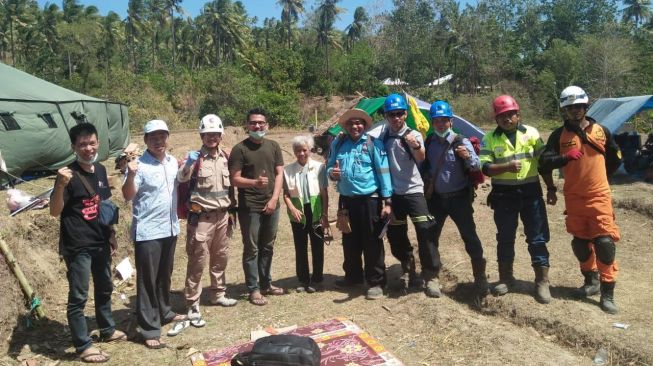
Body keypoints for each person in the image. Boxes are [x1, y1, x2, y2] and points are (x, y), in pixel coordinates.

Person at [539, 86, 622, 314]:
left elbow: (615, 158)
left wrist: (602, 178)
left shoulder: (602, 130)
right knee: (580, 243)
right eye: (569, 108)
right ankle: (591, 281)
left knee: (604, 243)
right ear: (564, 110)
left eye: (578, 106)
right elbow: (544, 163)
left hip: (599, 196)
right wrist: (563, 160)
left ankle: (607, 293)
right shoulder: (558, 135)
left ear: (586, 106)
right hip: (574, 198)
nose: (575, 111)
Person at [50, 123, 126, 363]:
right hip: (78, 245)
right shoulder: (67, 175)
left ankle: (107, 329)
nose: (87, 148)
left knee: (105, 288)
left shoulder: (102, 170)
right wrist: (60, 185)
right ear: (74, 147)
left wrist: (111, 235)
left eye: (91, 143)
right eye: (82, 144)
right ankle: (83, 345)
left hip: (100, 241)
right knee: (79, 296)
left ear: (98, 143)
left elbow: (104, 206)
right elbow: (55, 211)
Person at [168, 114, 238, 336]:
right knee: (197, 261)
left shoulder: (226, 157)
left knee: (220, 257)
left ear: (220, 135)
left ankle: (217, 293)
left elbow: (230, 188)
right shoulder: (195, 159)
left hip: (222, 216)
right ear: (201, 135)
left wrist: (231, 212)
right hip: (201, 219)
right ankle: (192, 303)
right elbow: (181, 178)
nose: (212, 138)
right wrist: (188, 163)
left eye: (215, 134)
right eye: (207, 134)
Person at [479, 95, 552, 304]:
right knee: (505, 237)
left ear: (518, 114)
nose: (506, 118)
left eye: (510, 114)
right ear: (496, 119)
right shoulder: (489, 138)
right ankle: (506, 278)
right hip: (504, 196)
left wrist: (552, 187)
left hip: (531, 193)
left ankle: (542, 281)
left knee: (537, 238)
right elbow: (484, 167)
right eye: (501, 116)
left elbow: (544, 162)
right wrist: (506, 167)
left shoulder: (531, 133)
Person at [122, 119, 185, 349]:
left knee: (164, 274)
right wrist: (129, 175)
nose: (159, 141)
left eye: (162, 136)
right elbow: (128, 195)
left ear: (167, 138)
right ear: (146, 140)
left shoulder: (171, 162)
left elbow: (182, 181)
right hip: (148, 231)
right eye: (153, 137)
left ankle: (165, 311)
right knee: (147, 279)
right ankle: (148, 327)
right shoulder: (139, 165)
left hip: (170, 227)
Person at [423, 101, 489, 297]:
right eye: (437, 121)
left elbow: (476, 166)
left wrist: (468, 156)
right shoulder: (429, 143)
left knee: (470, 237)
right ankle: (432, 278)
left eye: (444, 120)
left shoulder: (461, 141)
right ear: (432, 122)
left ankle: (480, 277)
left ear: (451, 121)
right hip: (436, 200)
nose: (441, 124)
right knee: (431, 238)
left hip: (459, 198)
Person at [326, 108, 393, 300]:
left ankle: (376, 282)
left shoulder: (374, 144)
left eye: (359, 123)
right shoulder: (339, 144)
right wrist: (332, 173)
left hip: (370, 200)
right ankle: (353, 276)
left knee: (372, 241)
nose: (355, 126)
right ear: (346, 126)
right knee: (349, 240)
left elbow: (384, 173)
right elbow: (329, 167)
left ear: (364, 126)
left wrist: (387, 202)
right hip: (346, 201)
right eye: (351, 123)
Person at [376, 94, 439, 296]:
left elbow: (421, 158)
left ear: (405, 114)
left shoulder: (413, 135)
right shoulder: (383, 136)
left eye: (399, 114)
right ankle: (408, 267)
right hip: (393, 195)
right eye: (391, 115)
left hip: (413, 192)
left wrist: (416, 145)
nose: (396, 118)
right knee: (396, 236)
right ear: (386, 116)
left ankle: (431, 276)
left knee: (425, 231)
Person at [228, 108, 286, 306]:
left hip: (272, 205)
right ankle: (253, 289)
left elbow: (279, 173)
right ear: (247, 126)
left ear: (267, 125)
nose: (257, 126)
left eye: (261, 123)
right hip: (250, 207)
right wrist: (254, 183)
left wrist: (274, 199)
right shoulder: (239, 149)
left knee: (268, 246)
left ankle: (266, 283)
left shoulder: (274, 146)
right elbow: (234, 179)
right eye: (253, 123)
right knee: (252, 248)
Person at [283, 135, 330, 293]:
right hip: (298, 214)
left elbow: (324, 193)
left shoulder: (319, 167)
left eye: (304, 150)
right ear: (294, 151)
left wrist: (324, 215)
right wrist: (292, 208)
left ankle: (317, 279)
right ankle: (302, 279)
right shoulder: (287, 170)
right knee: (300, 247)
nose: (301, 153)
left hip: (315, 211)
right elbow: (286, 194)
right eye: (298, 150)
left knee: (317, 245)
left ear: (310, 150)